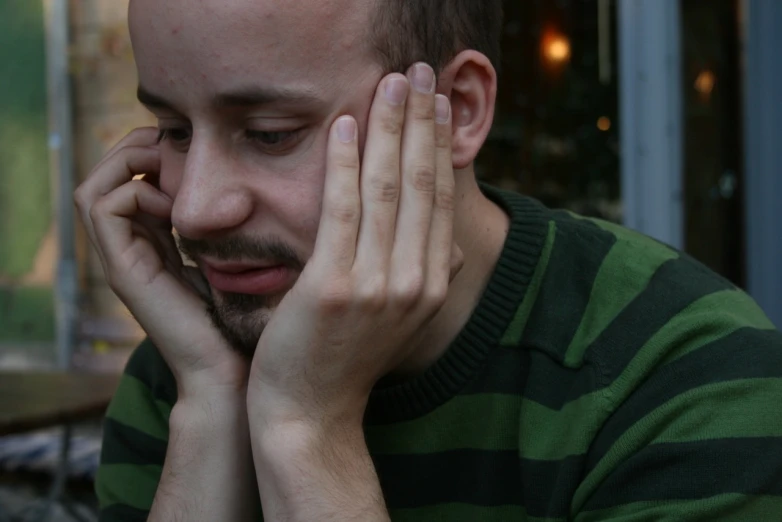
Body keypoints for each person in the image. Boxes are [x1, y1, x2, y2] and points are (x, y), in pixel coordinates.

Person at [74, 0, 782, 520]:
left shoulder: (683, 376)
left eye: (269, 133)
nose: (194, 208)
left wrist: (306, 430)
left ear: (459, 110)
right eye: (171, 130)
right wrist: (209, 411)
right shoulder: (192, 368)